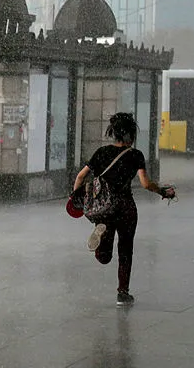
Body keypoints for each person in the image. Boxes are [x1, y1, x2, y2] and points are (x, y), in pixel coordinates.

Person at [72, 113, 175, 307]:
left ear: (114, 133)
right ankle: (123, 293)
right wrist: (163, 191)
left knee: (105, 257)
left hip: (105, 208)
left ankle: (101, 242)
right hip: (126, 207)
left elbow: (80, 176)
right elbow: (145, 184)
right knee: (126, 249)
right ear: (130, 135)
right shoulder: (135, 155)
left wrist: (75, 199)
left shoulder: (101, 152)